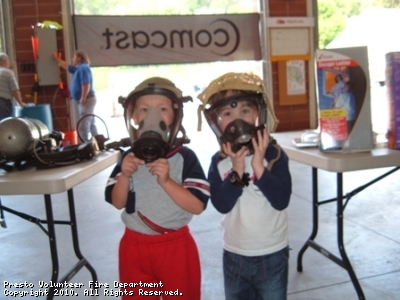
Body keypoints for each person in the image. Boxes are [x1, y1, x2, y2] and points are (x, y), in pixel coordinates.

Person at [105, 77, 210, 300]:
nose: (152, 116)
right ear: (133, 116)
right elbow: (118, 202)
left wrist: (167, 182)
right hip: (134, 247)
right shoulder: (128, 157)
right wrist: (124, 175)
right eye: (144, 109)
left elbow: (198, 205)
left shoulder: (184, 157)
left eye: (162, 108)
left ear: (175, 116)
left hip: (175, 247)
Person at [197, 72, 292, 300]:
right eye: (228, 113)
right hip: (235, 254)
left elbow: (281, 200)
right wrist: (237, 168)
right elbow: (221, 204)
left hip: (272, 253)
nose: (237, 119)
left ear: (257, 114)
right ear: (217, 121)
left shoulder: (274, 156)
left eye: (244, 111)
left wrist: (258, 165)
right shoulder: (219, 161)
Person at [51, 50, 97, 141]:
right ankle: (97, 142)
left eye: (74, 57)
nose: (72, 59)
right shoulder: (79, 69)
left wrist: (83, 97)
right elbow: (67, 66)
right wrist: (57, 59)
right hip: (87, 99)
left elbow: (86, 83)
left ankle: (85, 144)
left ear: (79, 58)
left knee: (84, 124)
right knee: (90, 123)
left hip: (86, 99)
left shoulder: (83, 68)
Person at [0, 52, 26, 120]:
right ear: (5, 61)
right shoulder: (8, 73)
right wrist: (20, 103)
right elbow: (15, 90)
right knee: (4, 125)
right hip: (3, 104)